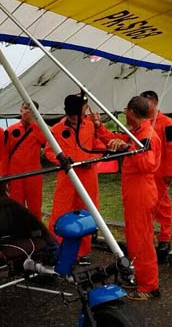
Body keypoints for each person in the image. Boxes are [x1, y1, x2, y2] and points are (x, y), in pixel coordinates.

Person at [44, 93, 113, 265]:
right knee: (60, 213)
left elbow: (98, 146)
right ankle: (57, 250)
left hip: (88, 177)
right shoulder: (56, 130)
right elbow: (49, 151)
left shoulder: (89, 126)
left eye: (77, 115)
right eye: (72, 115)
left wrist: (94, 158)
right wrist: (62, 160)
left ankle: (82, 253)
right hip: (67, 178)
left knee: (87, 214)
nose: (75, 119)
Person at [106, 96, 162, 300]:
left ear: (131, 112)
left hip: (141, 192)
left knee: (141, 240)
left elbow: (147, 164)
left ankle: (148, 286)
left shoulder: (145, 136)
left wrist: (126, 148)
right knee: (136, 237)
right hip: (136, 192)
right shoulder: (138, 133)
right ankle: (143, 280)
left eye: (126, 110)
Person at [139, 90, 172, 263]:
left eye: (147, 103)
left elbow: (171, 147)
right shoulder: (142, 122)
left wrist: (170, 171)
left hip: (161, 170)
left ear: (154, 102)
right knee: (147, 205)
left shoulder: (166, 123)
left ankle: (164, 237)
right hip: (146, 171)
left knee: (163, 204)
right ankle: (148, 237)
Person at [5, 101, 47, 220]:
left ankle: (36, 229)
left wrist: (34, 124)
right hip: (14, 174)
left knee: (35, 204)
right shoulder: (10, 130)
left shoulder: (39, 129)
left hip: (34, 173)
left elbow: (47, 143)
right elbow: (5, 154)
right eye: (25, 108)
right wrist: (5, 176)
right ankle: (19, 230)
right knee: (16, 204)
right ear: (21, 110)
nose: (28, 111)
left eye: (31, 109)